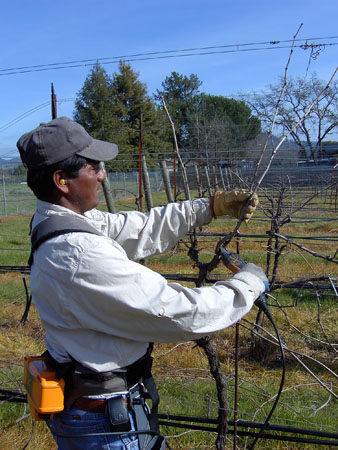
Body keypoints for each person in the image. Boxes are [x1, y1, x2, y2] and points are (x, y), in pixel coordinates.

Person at [18, 117, 267, 450]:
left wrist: (208, 207)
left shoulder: (57, 220)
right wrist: (248, 285)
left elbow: (137, 227)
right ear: (61, 180)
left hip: (104, 411)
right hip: (106, 425)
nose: (103, 175)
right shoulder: (78, 254)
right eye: (94, 168)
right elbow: (178, 313)